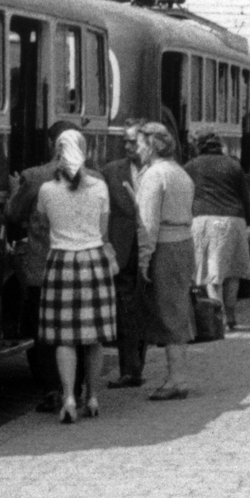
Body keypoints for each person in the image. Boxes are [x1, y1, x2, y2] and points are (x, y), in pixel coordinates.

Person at [33, 130, 116, 423]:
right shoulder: (100, 187)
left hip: (61, 262)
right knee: (94, 340)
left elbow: (42, 225)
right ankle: (92, 398)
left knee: (65, 339)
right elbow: (104, 232)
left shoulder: (46, 190)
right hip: (94, 260)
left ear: (57, 153)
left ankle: (68, 397)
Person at [4, 119, 84, 411]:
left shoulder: (35, 177)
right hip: (81, 266)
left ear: (52, 144)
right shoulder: (96, 178)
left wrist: (16, 189)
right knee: (78, 329)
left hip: (44, 267)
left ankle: (53, 391)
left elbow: (13, 213)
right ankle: (79, 389)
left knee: (46, 333)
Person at [134, 123, 196, 400]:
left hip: (165, 247)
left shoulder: (153, 176)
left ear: (151, 146)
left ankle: (176, 380)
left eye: (139, 144)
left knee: (169, 313)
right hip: (184, 243)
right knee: (178, 308)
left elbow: (148, 223)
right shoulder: (180, 173)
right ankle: (178, 376)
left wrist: (144, 260)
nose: (136, 150)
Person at [185, 132, 250, 332]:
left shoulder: (192, 166)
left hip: (205, 219)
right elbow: (245, 196)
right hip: (234, 220)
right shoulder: (233, 165)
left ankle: (219, 316)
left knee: (211, 271)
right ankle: (231, 316)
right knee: (232, 271)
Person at [101, 124, 146, 388]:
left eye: (133, 142)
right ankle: (131, 369)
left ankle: (137, 366)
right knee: (125, 308)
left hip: (152, 246)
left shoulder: (159, 170)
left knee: (145, 307)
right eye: (125, 142)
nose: (127, 147)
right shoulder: (112, 171)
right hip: (123, 249)